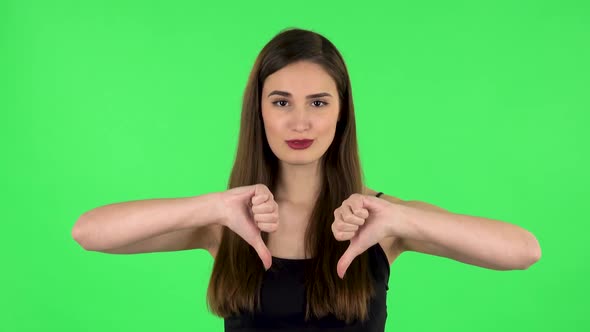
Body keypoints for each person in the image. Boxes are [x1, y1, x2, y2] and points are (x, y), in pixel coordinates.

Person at [72, 28, 542, 331]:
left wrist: (402, 220)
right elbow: (89, 232)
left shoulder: (380, 218)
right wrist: (209, 208)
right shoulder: (226, 222)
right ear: (259, 112)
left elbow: (523, 251)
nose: (300, 123)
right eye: (281, 102)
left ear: (341, 115)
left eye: (318, 103)